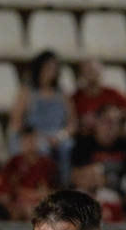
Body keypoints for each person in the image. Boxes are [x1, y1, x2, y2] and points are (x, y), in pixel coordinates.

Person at [8, 49, 76, 184]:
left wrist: (60, 136)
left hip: (57, 136)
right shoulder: (27, 93)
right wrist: (35, 137)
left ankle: (63, 185)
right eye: (48, 68)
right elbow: (16, 122)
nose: (51, 72)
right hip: (34, 135)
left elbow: (72, 123)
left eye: (54, 68)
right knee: (41, 147)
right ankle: (39, 184)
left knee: (68, 146)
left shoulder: (62, 95)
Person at [70, 58, 126, 136]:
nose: (91, 75)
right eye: (88, 71)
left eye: (94, 71)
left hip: (112, 141)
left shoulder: (113, 94)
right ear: (81, 74)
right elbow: (70, 123)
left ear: (100, 71)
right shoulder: (75, 98)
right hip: (85, 140)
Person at [4, 126, 60, 220]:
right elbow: (10, 189)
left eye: (32, 140)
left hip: (42, 202)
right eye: (25, 140)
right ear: (20, 142)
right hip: (19, 205)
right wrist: (29, 195)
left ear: (37, 141)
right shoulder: (13, 162)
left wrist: (40, 195)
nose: (29, 144)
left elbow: (54, 190)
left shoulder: (48, 164)